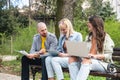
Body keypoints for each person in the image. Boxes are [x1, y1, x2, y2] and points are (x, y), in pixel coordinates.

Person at [68, 15, 115, 80]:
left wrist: (94, 56)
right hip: (88, 61)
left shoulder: (106, 37)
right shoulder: (88, 37)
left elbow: (108, 55)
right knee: (72, 58)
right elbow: (85, 52)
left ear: (95, 24)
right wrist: (78, 52)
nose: (87, 23)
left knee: (87, 61)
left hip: (103, 64)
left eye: (89, 22)